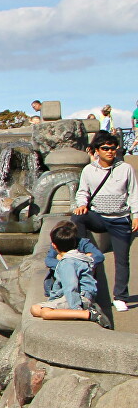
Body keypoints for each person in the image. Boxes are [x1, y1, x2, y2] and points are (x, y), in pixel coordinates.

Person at [73, 131, 137, 311]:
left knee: (122, 259)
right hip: (98, 217)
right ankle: (84, 250)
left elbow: (134, 194)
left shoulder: (125, 169)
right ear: (97, 150)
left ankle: (120, 297)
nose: (110, 151)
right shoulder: (89, 170)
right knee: (78, 217)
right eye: (105, 148)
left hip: (119, 218)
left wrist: (136, 215)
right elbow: (82, 191)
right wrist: (81, 204)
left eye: (113, 148)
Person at [31, 221, 110, 327]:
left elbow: (71, 287)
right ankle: (76, 313)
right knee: (35, 309)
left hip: (78, 299)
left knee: (45, 313)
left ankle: (88, 314)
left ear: (54, 245)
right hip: (73, 296)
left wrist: (76, 308)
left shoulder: (67, 262)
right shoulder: (76, 256)